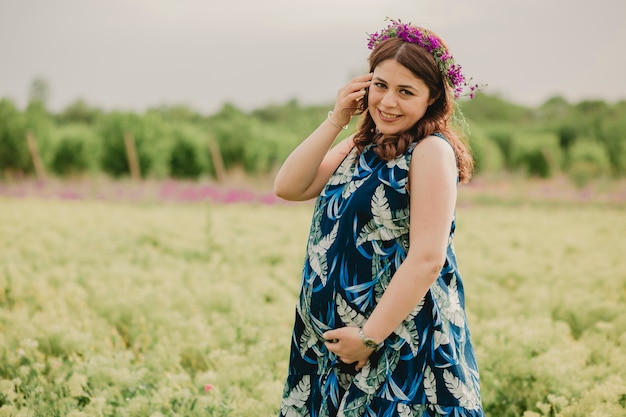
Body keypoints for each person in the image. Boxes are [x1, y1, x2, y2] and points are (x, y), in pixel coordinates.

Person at [274, 18, 484, 417]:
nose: (387, 102)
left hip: (397, 342)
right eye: (380, 86)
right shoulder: (361, 143)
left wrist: (368, 338)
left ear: (432, 100)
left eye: (406, 92)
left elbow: (427, 257)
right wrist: (338, 118)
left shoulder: (430, 152)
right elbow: (289, 186)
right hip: (333, 348)